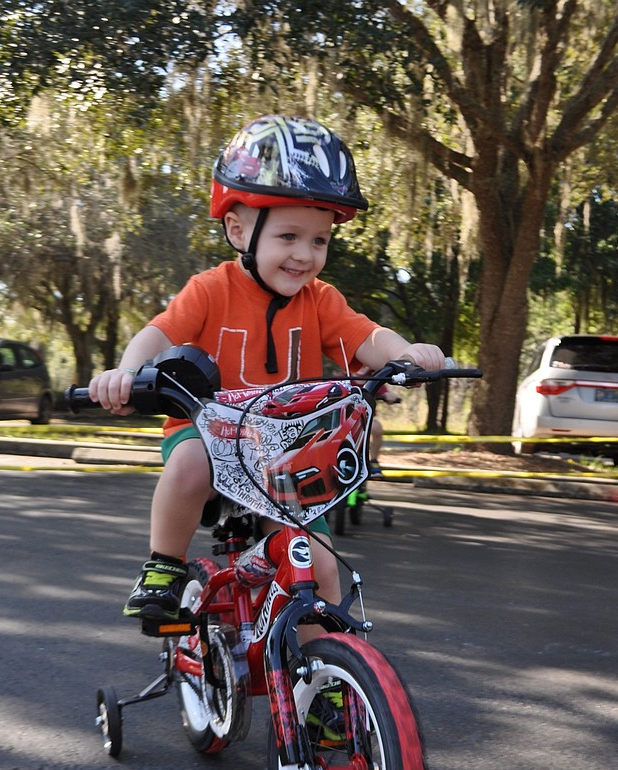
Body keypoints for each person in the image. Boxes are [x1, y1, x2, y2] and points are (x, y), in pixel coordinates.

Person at [89, 114, 446, 625]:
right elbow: (158, 334)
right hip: (207, 430)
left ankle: (319, 686)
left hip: (285, 445)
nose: (305, 255)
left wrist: (407, 352)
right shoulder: (210, 289)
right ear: (238, 229)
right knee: (190, 465)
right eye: (288, 236)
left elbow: (366, 337)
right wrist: (125, 372)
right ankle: (163, 566)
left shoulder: (321, 300)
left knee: (321, 568)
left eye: (319, 241)